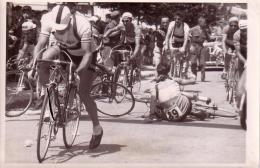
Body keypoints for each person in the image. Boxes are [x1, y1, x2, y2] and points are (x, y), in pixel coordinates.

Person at [29, 3, 103, 149]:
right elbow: (40, 45)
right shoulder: (47, 19)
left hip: (84, 54)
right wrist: (34, 63)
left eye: (63, 28)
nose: (60, 31)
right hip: (64, 49)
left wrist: (78, 71)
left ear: (70, 21)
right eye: (57, 29)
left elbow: (88, 53)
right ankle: (49, 97)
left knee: (83, 93)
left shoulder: (83, 24)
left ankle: (97, 129)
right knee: (42, 62)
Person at [164, 11, 190, 78]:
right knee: (172, 59)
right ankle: (171, 73)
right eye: (175, 18)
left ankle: (184, 72)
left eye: (179, 19)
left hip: (183, 42)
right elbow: (168, 36)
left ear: (182, 19)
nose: (177, 20)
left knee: (184, 58)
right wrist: (167, 46)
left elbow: (186, 38)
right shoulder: (172, 24)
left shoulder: (185, 26)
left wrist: (184, 47)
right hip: (174, 42)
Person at [189, 13, 211, 81]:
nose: (205, 24)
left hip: (201, 47)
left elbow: (208, 38)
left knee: (202, 63)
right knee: (193, 63)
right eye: (204, 23)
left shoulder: (205, 30)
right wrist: (190, 46)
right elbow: (188, 39)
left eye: (205, 23)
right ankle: (194, 77)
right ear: (200, 22)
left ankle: (203, 78)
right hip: (194, 46)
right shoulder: (192, 29)